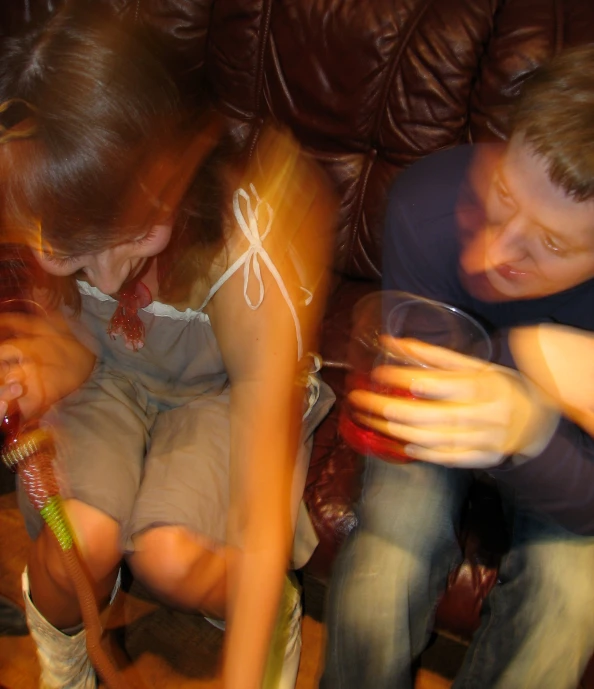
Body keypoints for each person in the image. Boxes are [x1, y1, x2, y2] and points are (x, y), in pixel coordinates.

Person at [0, 4, 336, 688]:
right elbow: (75, 328)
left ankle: (266, 609)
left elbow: (261, 499)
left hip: (220, 390)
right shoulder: (29, 168)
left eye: (128, 230)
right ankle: (65, 665)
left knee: (173, 554)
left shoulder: (251, 247)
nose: (104, 274)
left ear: (176, 161)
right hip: (113, 377)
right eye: (68, 249)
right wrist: (46, 367)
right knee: (77, 547)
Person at [321, 45, 594, 689]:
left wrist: (529, 431)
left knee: (572, 601)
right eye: (503, 192)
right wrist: (523, 363)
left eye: (552, 242)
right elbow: (419, 403)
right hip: (441, 420)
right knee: (381, 572)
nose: (497, 248)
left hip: (561, 446)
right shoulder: (428, 202)